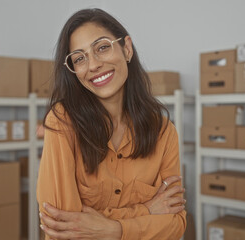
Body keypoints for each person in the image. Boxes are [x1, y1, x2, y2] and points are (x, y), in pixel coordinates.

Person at [37, 8, 186, 240]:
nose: (93, 64)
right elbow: (62, 227)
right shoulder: (62, 121)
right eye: (79, 58)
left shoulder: (164, 132)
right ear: (74, 71)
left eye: (102, 47)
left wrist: (113, 230)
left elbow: (176, 224)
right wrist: (146, 211)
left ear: (127, 48)